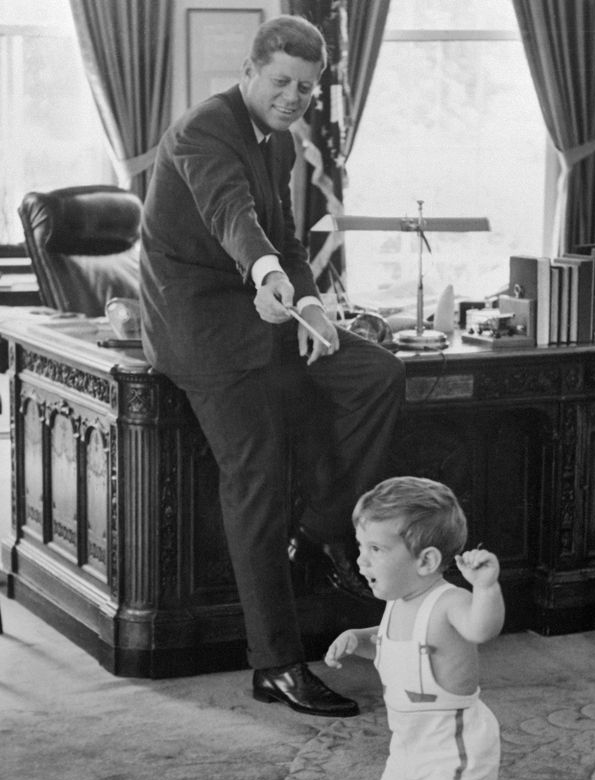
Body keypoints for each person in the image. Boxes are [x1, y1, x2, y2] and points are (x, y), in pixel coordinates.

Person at [139, 15, 405, 719]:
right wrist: (263, 272)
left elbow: (285, 239)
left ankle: (319, 527)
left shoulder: (283, 142)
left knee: (377, 373)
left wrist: (313, 306)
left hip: (272, 310)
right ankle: (276, 664)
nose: (294, 97)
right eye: (282, 81)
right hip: (202, 328)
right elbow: (235, 216)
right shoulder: (204, 128)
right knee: (257, 475)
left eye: (307, 88)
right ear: (251, 71)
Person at [324, 476, 523, 780]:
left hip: (453, 737)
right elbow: (398, 636)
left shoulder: (451, 602)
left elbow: (483, 627)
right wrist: (362, 635)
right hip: (410, 735)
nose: (361, 559)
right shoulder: (397, 603)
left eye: (375, 549)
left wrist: (486, 587)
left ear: (427, 562)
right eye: (361, 546)